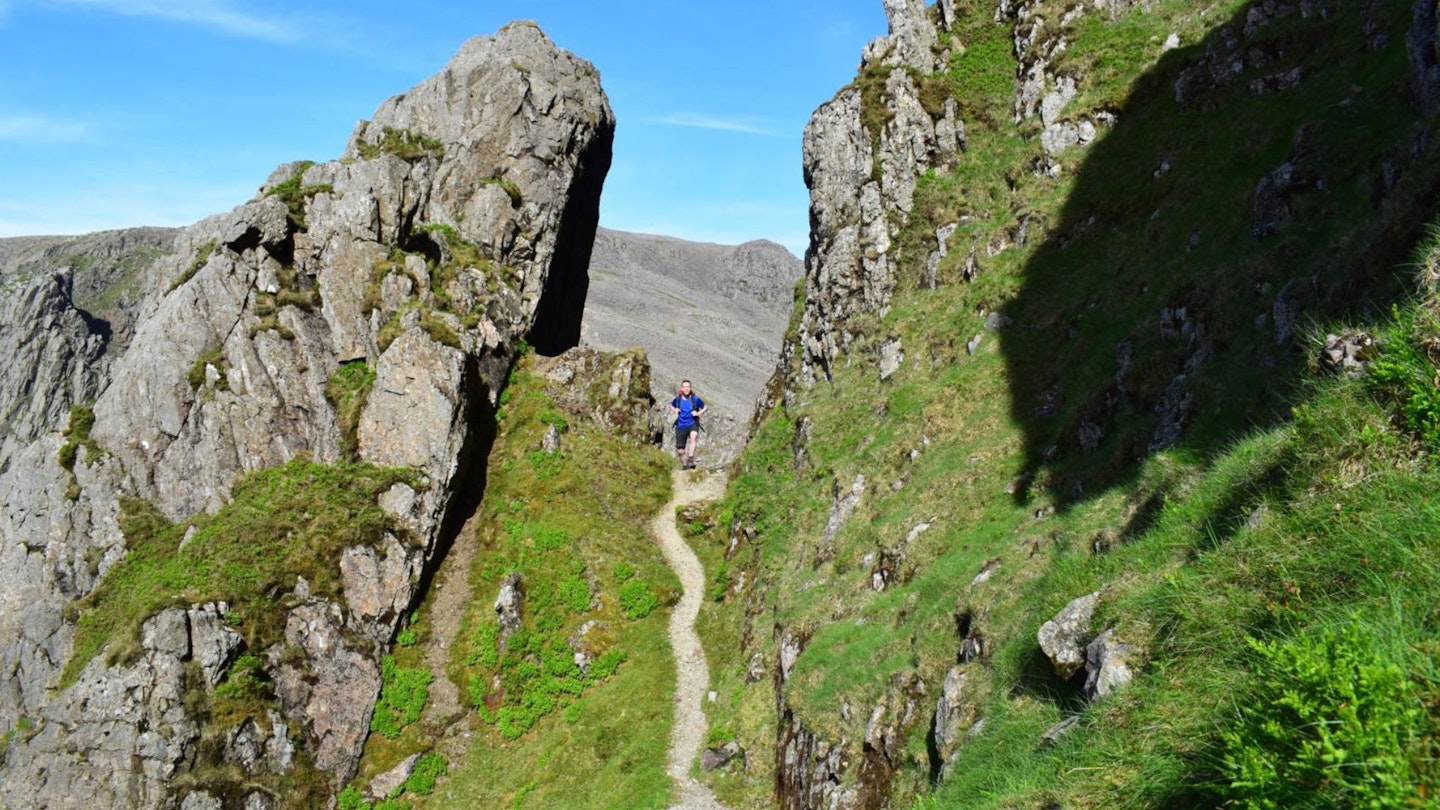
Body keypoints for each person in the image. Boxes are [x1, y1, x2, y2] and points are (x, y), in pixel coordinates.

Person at [669, 380, 706, 470]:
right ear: (681, 388)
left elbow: (705, 407)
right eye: (684, 387)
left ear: (690, 388)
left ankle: (690, 459)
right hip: (681, 425)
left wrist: (698, 413)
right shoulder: (678, 399)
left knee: (693, 438)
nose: (686, 388)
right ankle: (685, 465)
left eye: (688, 387)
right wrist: (674, 410)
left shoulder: (695, 399)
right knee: (680, 451)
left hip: (693, 423)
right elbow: (671, 404)